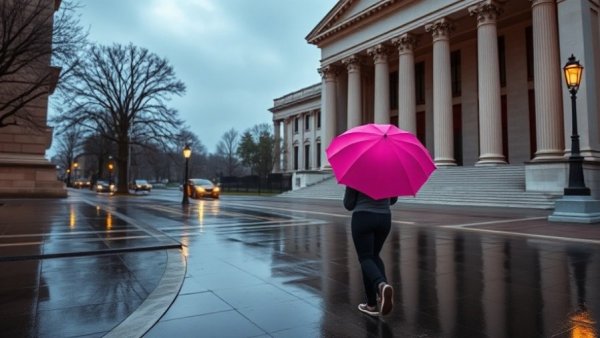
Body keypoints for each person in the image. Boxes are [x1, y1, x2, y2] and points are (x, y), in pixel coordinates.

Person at [343, 186, 397, 317]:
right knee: (373, 256)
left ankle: (381, 285)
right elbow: (392, 200)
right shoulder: (390, 172)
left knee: (365, 258)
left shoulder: (356, 173)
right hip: (384, 218)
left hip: (363, 217)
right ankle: (371, 304)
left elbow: (348, 204)